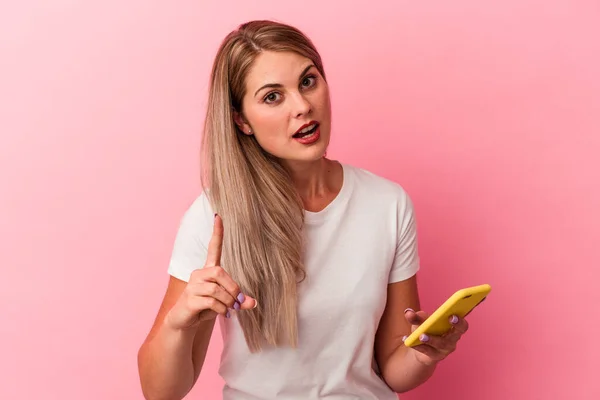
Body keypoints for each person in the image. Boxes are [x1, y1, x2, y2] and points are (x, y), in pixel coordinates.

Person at [137, 19, 471, 400]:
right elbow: (159, 392)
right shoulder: (214, 217)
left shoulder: (388, 204)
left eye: (308, 81)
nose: (303, 106)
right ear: (241, 120)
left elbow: (394, 372)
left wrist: (425, 353)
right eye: (272, 97)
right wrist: (180, 321)